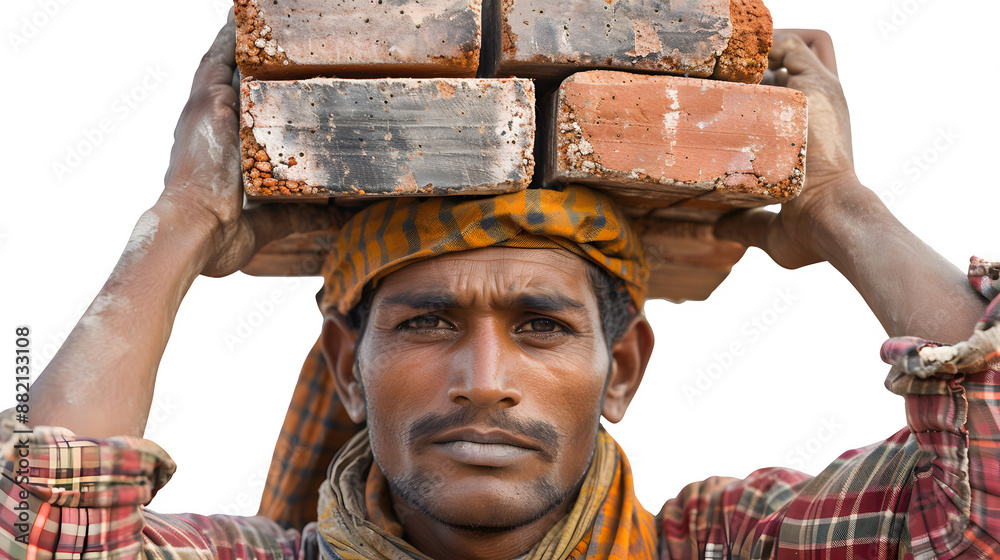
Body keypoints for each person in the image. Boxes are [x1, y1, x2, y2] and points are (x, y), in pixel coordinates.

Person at [1, 12, 997, 559]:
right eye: (428, 319)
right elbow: (41, 537)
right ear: (350, 367)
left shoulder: (728, 546)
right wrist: (179, 221)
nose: (484, 377)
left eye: (541, 324)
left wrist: (836, 205)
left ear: (621, 367)